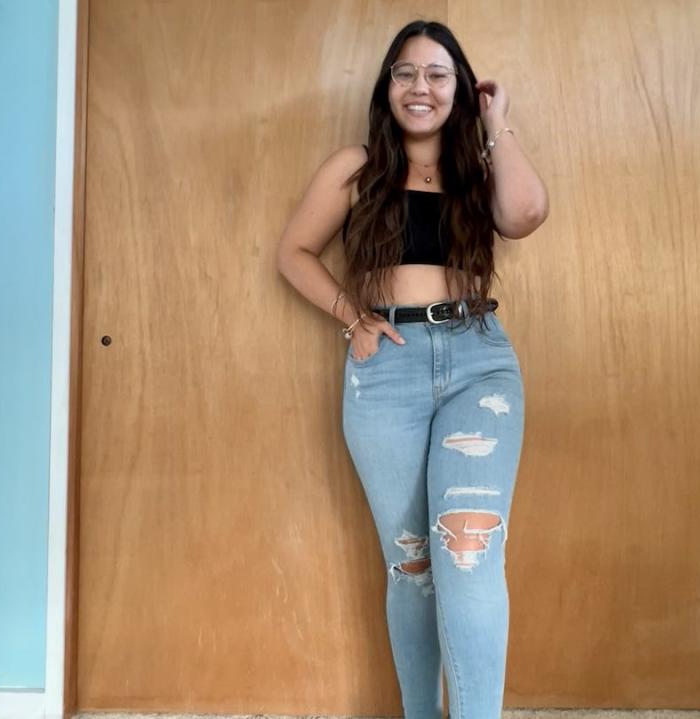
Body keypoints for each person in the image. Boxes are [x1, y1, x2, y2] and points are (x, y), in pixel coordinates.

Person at [276, 19, 548, 719]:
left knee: (468, 553)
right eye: (405, 73)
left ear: (458, 88)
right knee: (414, 567)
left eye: (437, 74)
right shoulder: (356, 166)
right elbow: (293, 253)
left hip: (477, 364)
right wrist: (351, 313)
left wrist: (496, 121)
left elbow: (525, 213)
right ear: (386, 86)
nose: (418, 87)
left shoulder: (476, 168)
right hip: (386, 372)